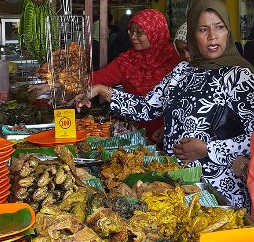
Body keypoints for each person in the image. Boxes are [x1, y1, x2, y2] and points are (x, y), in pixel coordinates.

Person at [77, 0, 254, 210]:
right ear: (192, 35)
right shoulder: (182, 72)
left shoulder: (240, 77)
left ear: (228, 31)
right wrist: (101, 90)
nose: (212, 36)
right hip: (177, 185)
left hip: (219, 191)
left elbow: (251, 139)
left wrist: (207, 149)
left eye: (219, 27)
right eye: (203, 29)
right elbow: (146, 107)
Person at [29, 9, 180, 142]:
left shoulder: (177, 62)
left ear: (156, 33)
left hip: (171, 133)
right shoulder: (128, 61)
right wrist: (53, 85)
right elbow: (96, 78)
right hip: (136, 133)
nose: (133, 36)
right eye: (131, 31)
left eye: (139, 32)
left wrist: (167, 126)